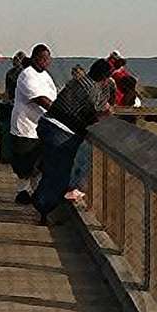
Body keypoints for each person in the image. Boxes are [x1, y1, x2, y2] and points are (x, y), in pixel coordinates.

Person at [32, 59, 116, 224]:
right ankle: (44, 205)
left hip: (47, 124)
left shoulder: (77, 82)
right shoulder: (93, 91)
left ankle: (43, 202)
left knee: (52, 168)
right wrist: (108, 113)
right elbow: (96, 116)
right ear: (105, 78)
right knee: (60, 173)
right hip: (62, 132)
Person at [9, 44, 57, 204]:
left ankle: (36, 191)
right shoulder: (26, 75)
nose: (46, 61)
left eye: (48, 58)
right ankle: (22, 191)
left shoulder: (46, 76)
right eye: (43, 58)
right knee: (24, 163)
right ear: (35, 58)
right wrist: (61, 113)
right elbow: (40, 99)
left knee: (39, 163)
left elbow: (52, 97)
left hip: (42, 126)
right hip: (26, 127)